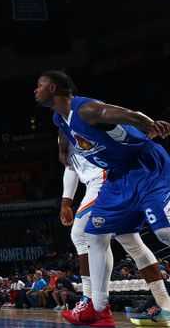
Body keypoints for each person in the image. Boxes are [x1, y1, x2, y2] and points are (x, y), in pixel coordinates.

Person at [35, 70, 170, 326]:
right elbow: (63, 131)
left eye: (38, 86)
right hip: (119, 176)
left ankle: (98, 305)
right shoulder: (59, 117)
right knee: (93, 233)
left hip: (144, 166)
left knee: (164, 232)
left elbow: (124, 113)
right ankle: (99, 308)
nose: (35, 90)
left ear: (53, 88)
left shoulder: (87, 109)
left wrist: (151, 123)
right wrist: (63, 150)